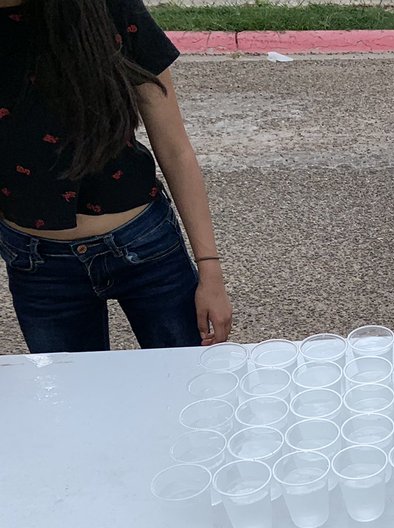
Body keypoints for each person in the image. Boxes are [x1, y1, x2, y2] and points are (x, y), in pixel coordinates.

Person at [0, 0, 232, 353]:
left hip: (143, 244)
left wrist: (210, 269)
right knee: (76, 405)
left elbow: (174, 148)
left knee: (192, 391)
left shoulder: (106, 7)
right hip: (37, 264)